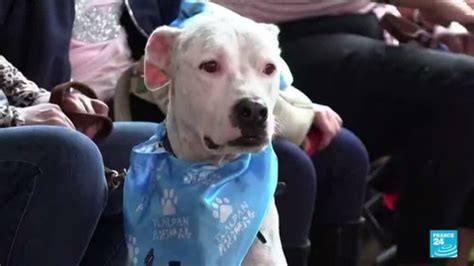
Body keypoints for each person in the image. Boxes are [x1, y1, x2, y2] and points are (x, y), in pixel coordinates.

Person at [213, 0, 474, 265]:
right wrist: (457, 12)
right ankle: (427, 257)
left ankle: (450, 255)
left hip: (360, 36)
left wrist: (429, 26)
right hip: (281, 50)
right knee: (465, 85)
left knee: (460, 114)